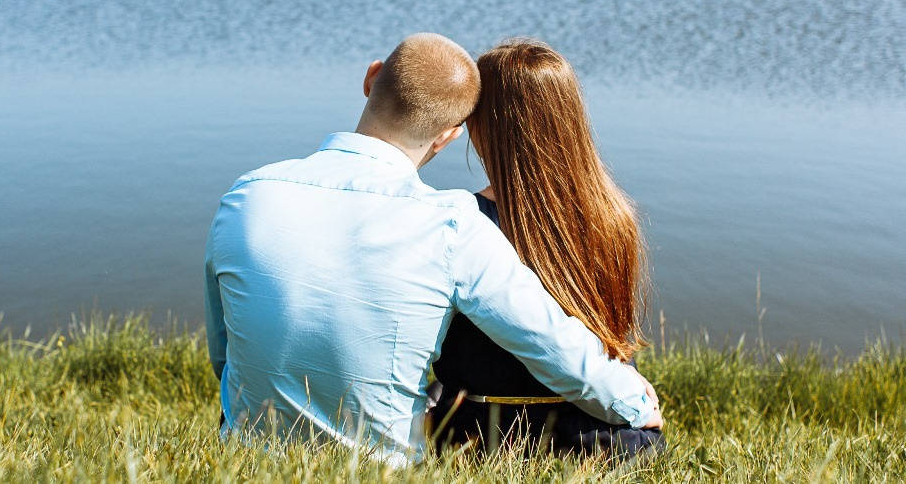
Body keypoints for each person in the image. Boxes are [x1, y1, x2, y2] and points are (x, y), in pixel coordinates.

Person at [203, 33, 662, 466]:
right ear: (449, 134)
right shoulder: (451, 225)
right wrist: (634, 403)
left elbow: (227, 355)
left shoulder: (248, 195)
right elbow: (551, 342)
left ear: (371, 77)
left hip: (247, 455)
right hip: (381, 465)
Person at [430, 39, 664, 458]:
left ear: (483, 126)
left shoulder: (461, 224)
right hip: (603, 438)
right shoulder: (614, 217)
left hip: (484, 435)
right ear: (570, 119)